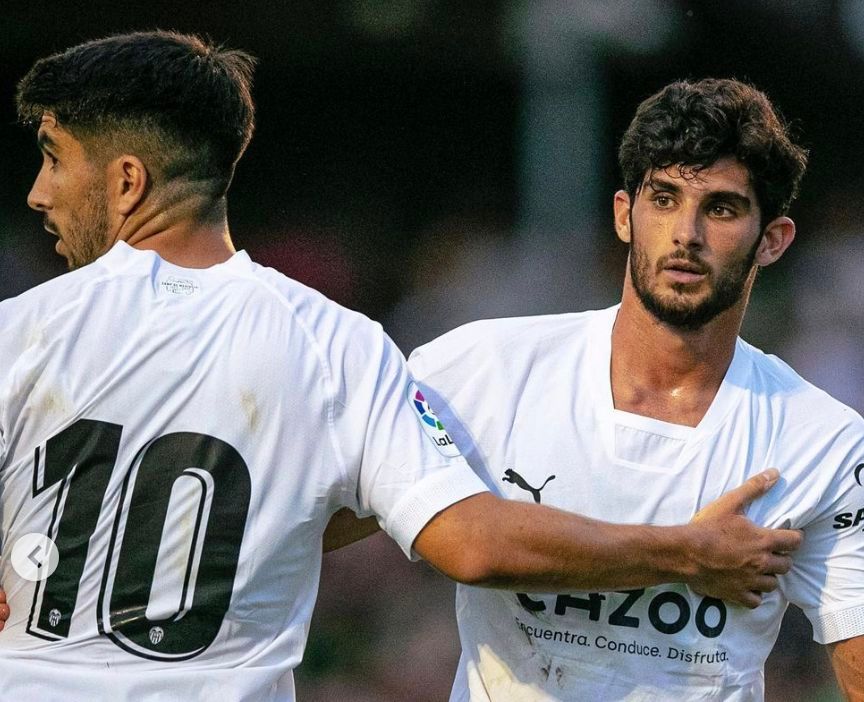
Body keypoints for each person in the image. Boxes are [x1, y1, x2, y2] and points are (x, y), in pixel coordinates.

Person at [0, 34, 799, 701]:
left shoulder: (23, 330)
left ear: (128, 180)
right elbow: (474, 544)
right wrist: (685, 552)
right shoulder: (334, 345)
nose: (39, 193)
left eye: (52, 158)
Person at [404, 79, 864, 700]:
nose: (686, 234)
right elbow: (414, 536)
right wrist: (688, 555)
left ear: (774, 240)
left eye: (722, 208)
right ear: (626, 214)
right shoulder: (482, 369)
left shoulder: (824, 442)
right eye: (665, 199)